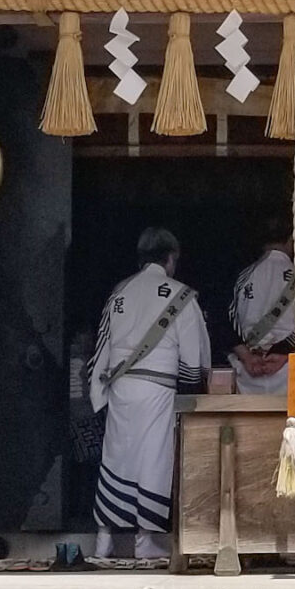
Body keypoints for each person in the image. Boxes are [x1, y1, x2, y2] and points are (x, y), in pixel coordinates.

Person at [85, 228, 211, 561]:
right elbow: (193, 358)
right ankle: (144, 541)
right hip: (158, 389)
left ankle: (103, 540)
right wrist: (191, 393)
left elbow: (102, 347)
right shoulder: (181, 295)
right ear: (171, 259)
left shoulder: (120, 292)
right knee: (152, 461)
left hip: (122, 388)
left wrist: (99, 392)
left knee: (117, 459)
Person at [226, 220, 295, 396]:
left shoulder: (244, 277)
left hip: (249, 370)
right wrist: (284, 354)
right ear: (292, 240)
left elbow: (229, 320)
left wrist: (247, 356)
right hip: (287, 369)